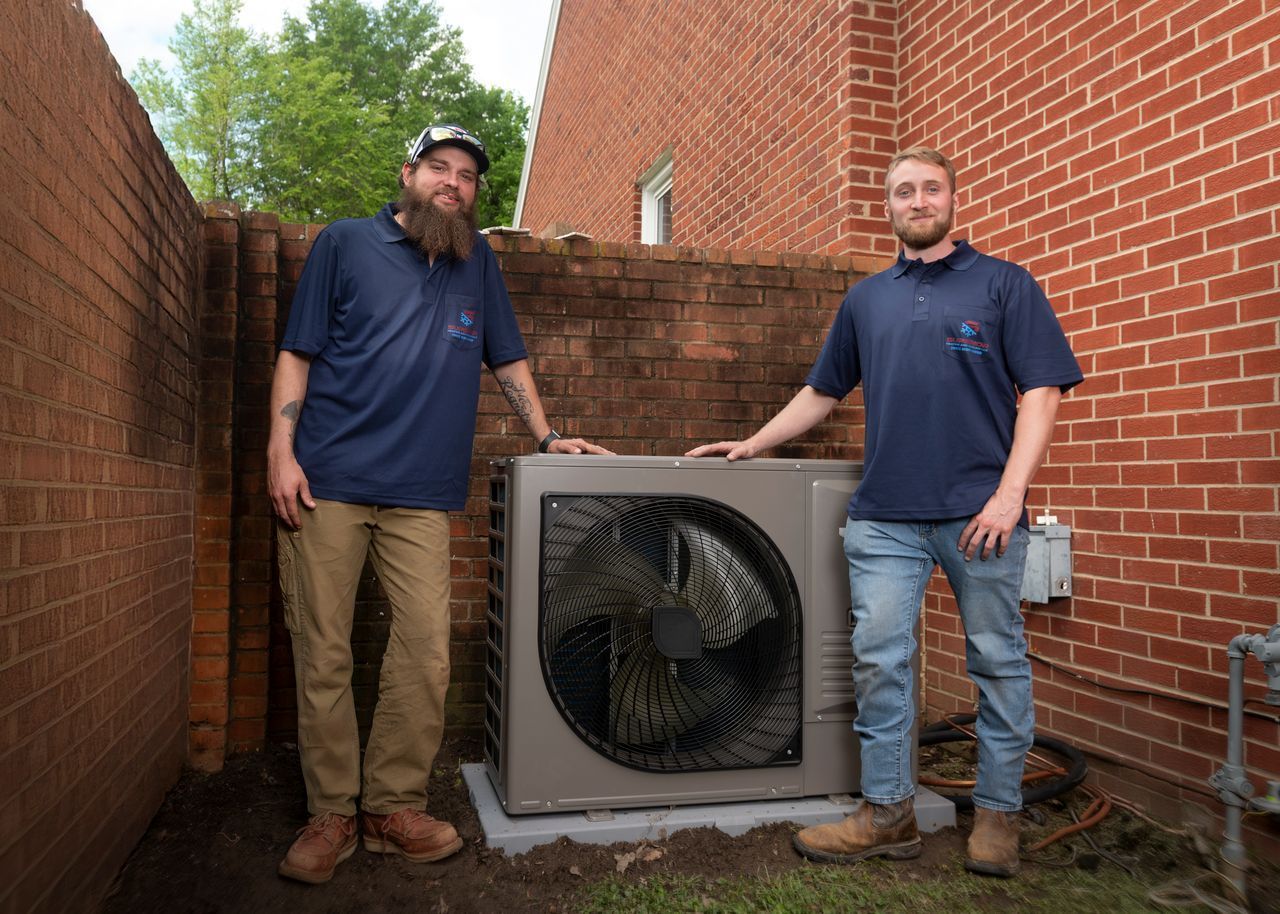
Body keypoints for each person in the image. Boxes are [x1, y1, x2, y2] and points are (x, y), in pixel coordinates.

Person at [686, 147, 1082, 877]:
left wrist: (1009, 495)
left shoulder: (1004, 286)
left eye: (931, 188)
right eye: (904, 191)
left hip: (982, 517)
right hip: (885, 517)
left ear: (953, 200)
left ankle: (998, 817)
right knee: (879, 664)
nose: (918, 200)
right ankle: (889, 812)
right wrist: (753, 443)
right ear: (889, 207)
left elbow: (1044, 394)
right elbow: (822, 393)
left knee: (997, 662)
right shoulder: (866, 300)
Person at [267, 123, 612, 885]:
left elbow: (507, 354)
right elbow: (298, 352)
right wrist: (280, 452)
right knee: (323, 650)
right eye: (438, 168)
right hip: (327, 480)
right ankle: (332, 813)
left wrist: (547, 433)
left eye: (465, 176)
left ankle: (391, 808)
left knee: (424, 652)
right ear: (409, 174)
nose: (452, 183)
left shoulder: (475, 261)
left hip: (422, 492)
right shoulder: (346, 244)